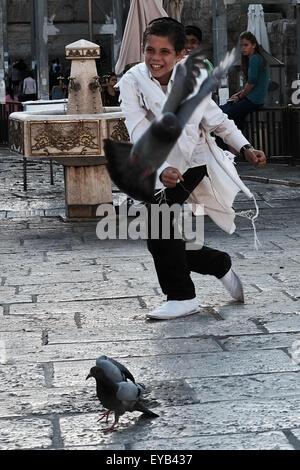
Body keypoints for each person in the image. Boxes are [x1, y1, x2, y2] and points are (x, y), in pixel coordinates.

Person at [117, 17, 266, 321]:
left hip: (193, 161)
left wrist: (245, 148)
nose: (155, 59)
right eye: (149, 50)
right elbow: (138, 130)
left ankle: (183, 296)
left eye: (164, 52)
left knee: (158, 230)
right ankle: (217, 264)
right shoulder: (132, 81)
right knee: (159, 235)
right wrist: (161, 171)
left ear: (180, 54)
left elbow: (217, 120)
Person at [220, 31, 270, 131]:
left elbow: (251, 83)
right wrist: (238, 94)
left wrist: (239, 97)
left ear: (254, 45)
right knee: (235, 117)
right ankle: (241, 143)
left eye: (246, 45)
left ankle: (239, 143)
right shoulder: (257, 58)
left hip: (253, 100)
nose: (243, 48)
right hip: (255, 100)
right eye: (241, 45)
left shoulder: (254, 59)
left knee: (223, 113)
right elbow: (250, 84)